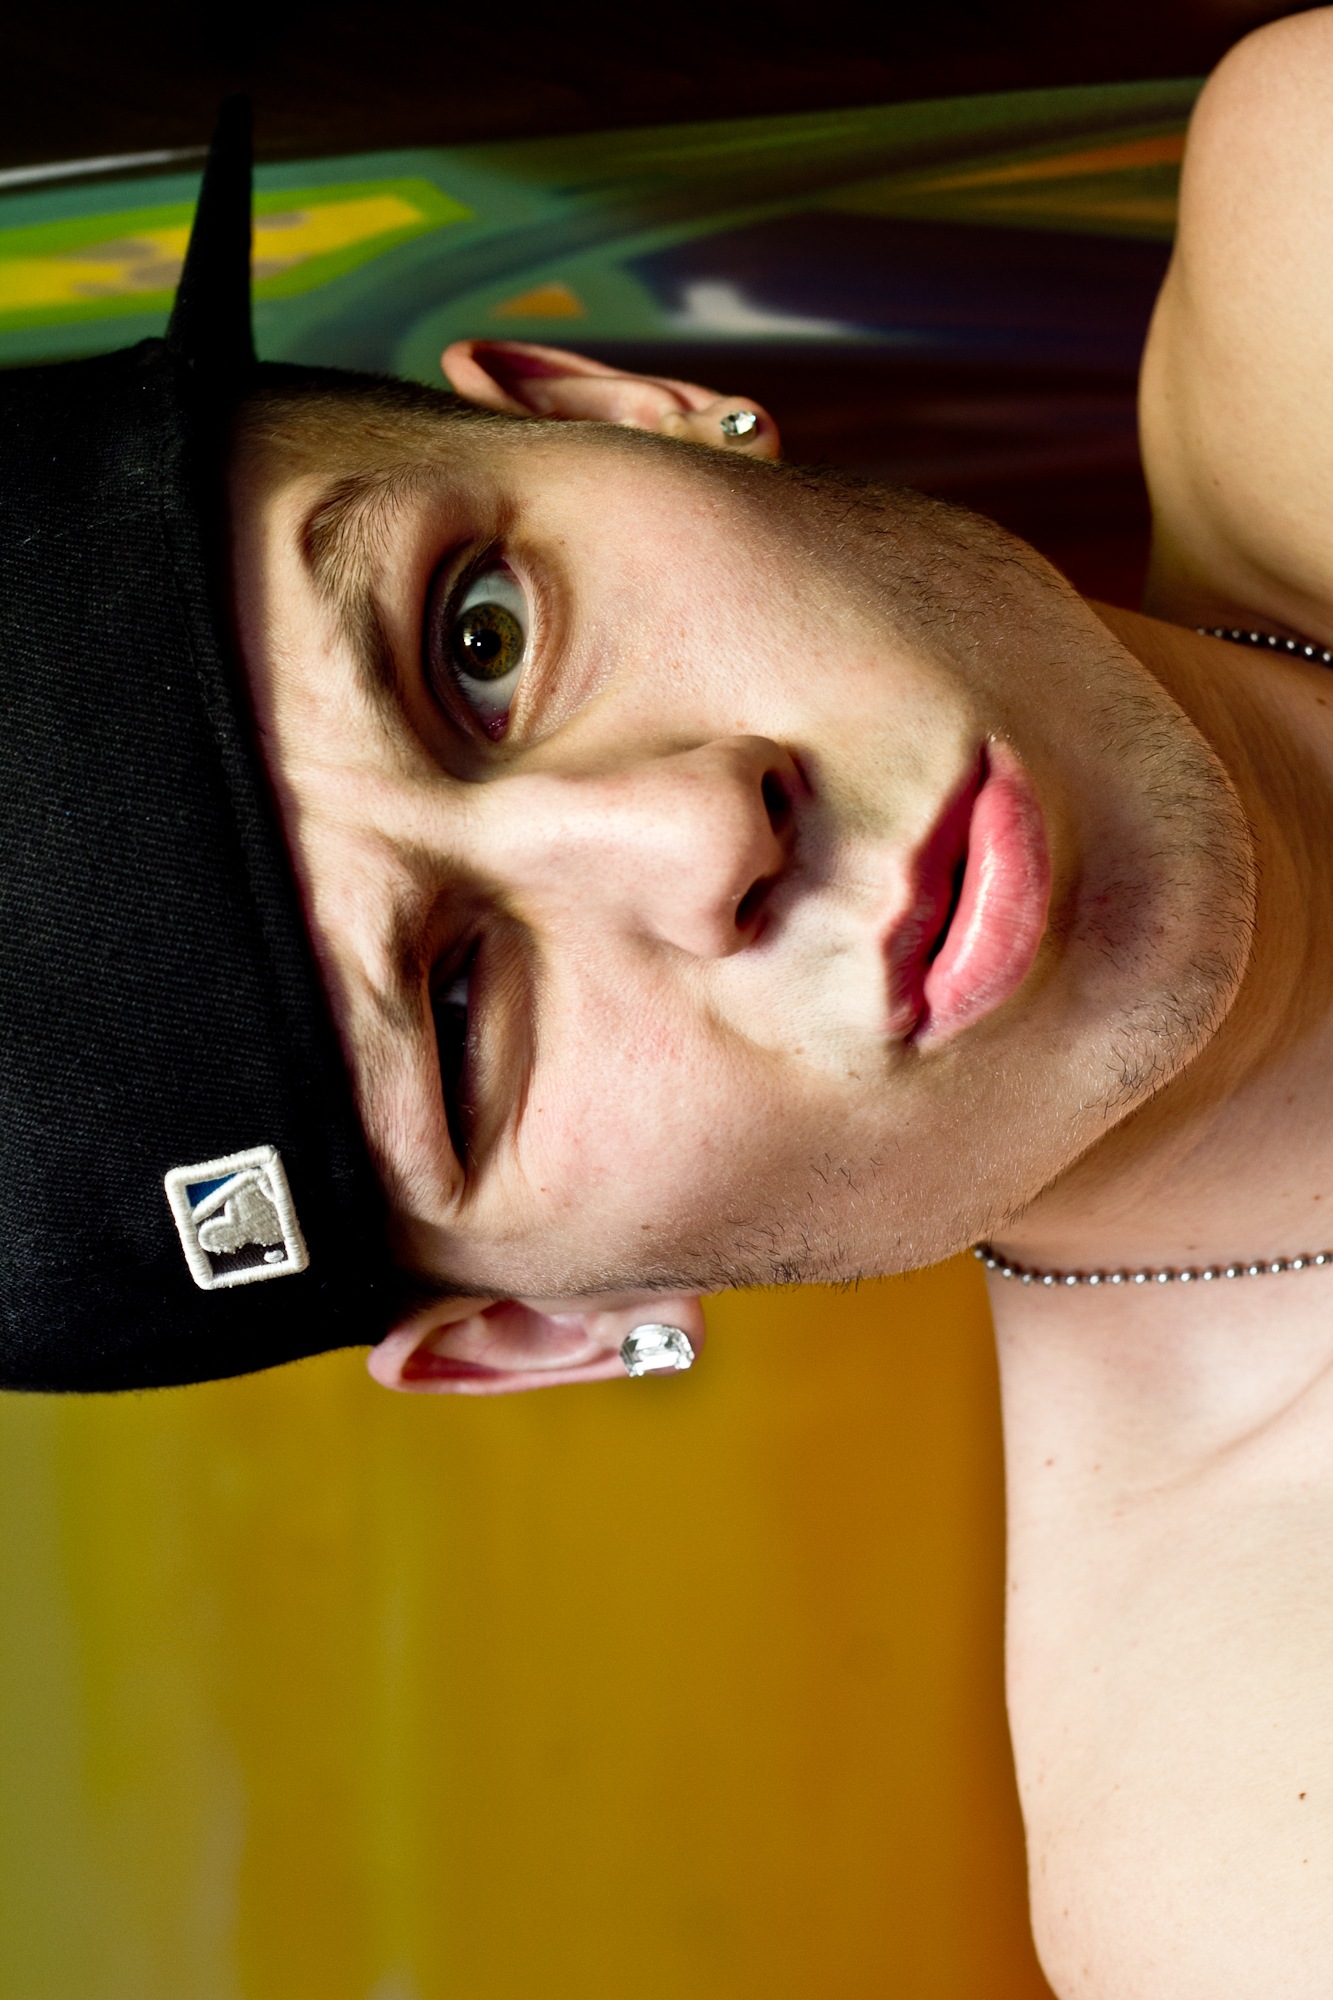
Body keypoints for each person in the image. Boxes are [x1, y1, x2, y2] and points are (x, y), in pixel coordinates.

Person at [4, 10, 1333, 1989]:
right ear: (542, 1328)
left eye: (479, 637)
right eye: (463, 1024)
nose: (692, 826)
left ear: (624, 410)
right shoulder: (1260, 1857)